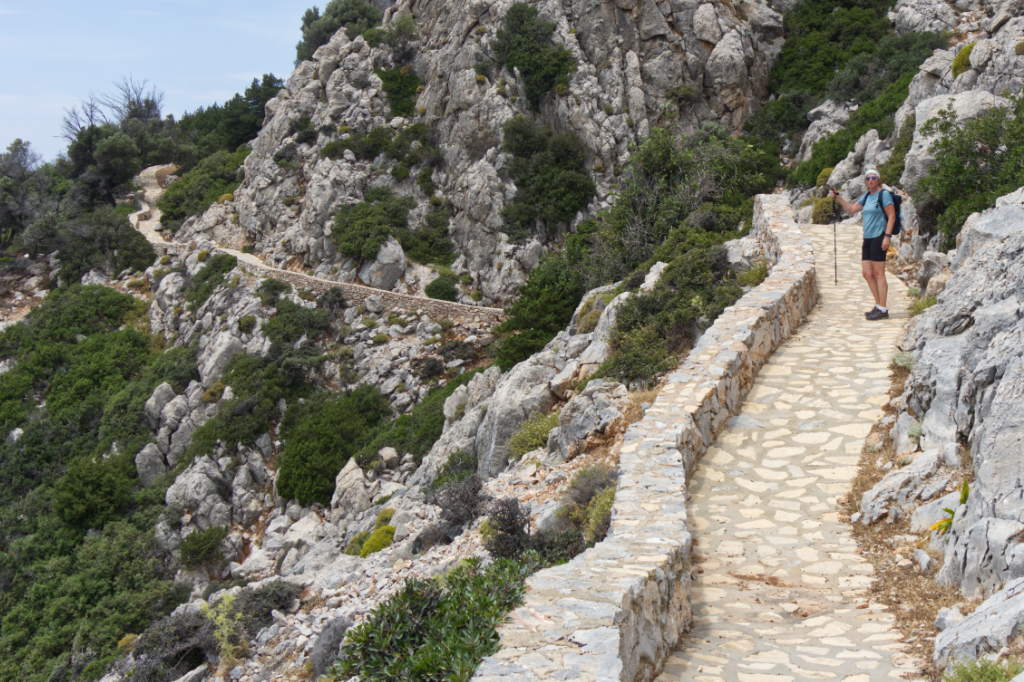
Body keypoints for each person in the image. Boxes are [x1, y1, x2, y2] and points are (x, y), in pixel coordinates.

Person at [830, 169, 896, 320]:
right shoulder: (867, 196)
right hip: (867, 238)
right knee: (867, 273)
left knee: (879, 273)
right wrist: (838, 197)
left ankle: (883, 309)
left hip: (879, 236)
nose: (871, 180)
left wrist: (887, 236)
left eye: (873, 177)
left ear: (878, 179)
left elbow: (891, 216)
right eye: (868, 178)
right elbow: (852, 209)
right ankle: (878, 305)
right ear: (865, 181)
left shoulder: (883, 195)